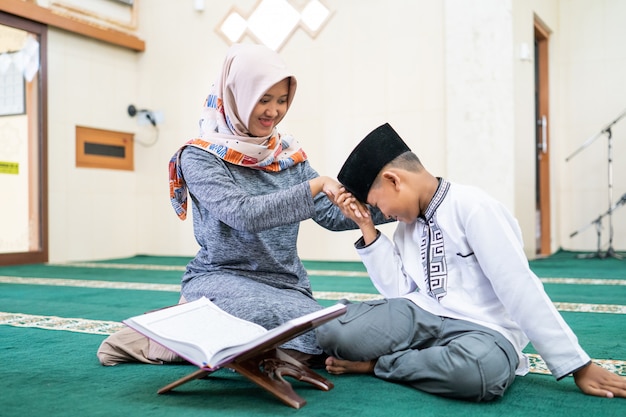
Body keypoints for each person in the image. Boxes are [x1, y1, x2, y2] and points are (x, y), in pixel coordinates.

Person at [97, 44, 387, 367]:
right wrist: (316, 185)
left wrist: (391, 206)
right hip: (221, 279)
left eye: (281, 101)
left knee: (324, 326)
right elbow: (243, 213)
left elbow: (331, 213)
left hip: (284, 285)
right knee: (263, 317)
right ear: (238, 95)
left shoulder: (286, 155)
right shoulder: (199, 156)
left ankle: (222, 341)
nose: (273, 112)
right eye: (263, 99)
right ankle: (159, 338)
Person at [316, 122, 626, 401]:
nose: (381, 212)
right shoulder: (404, 227)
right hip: (422, 315)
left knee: (478, 373)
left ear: (394, 180)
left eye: (375, 204)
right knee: (332, 331)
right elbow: (399, 294)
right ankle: (423, 359)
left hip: (484, 331)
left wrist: (578, 366)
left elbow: (519, 287)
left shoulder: (474, 208)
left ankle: (378, 365)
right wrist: (366, 228)